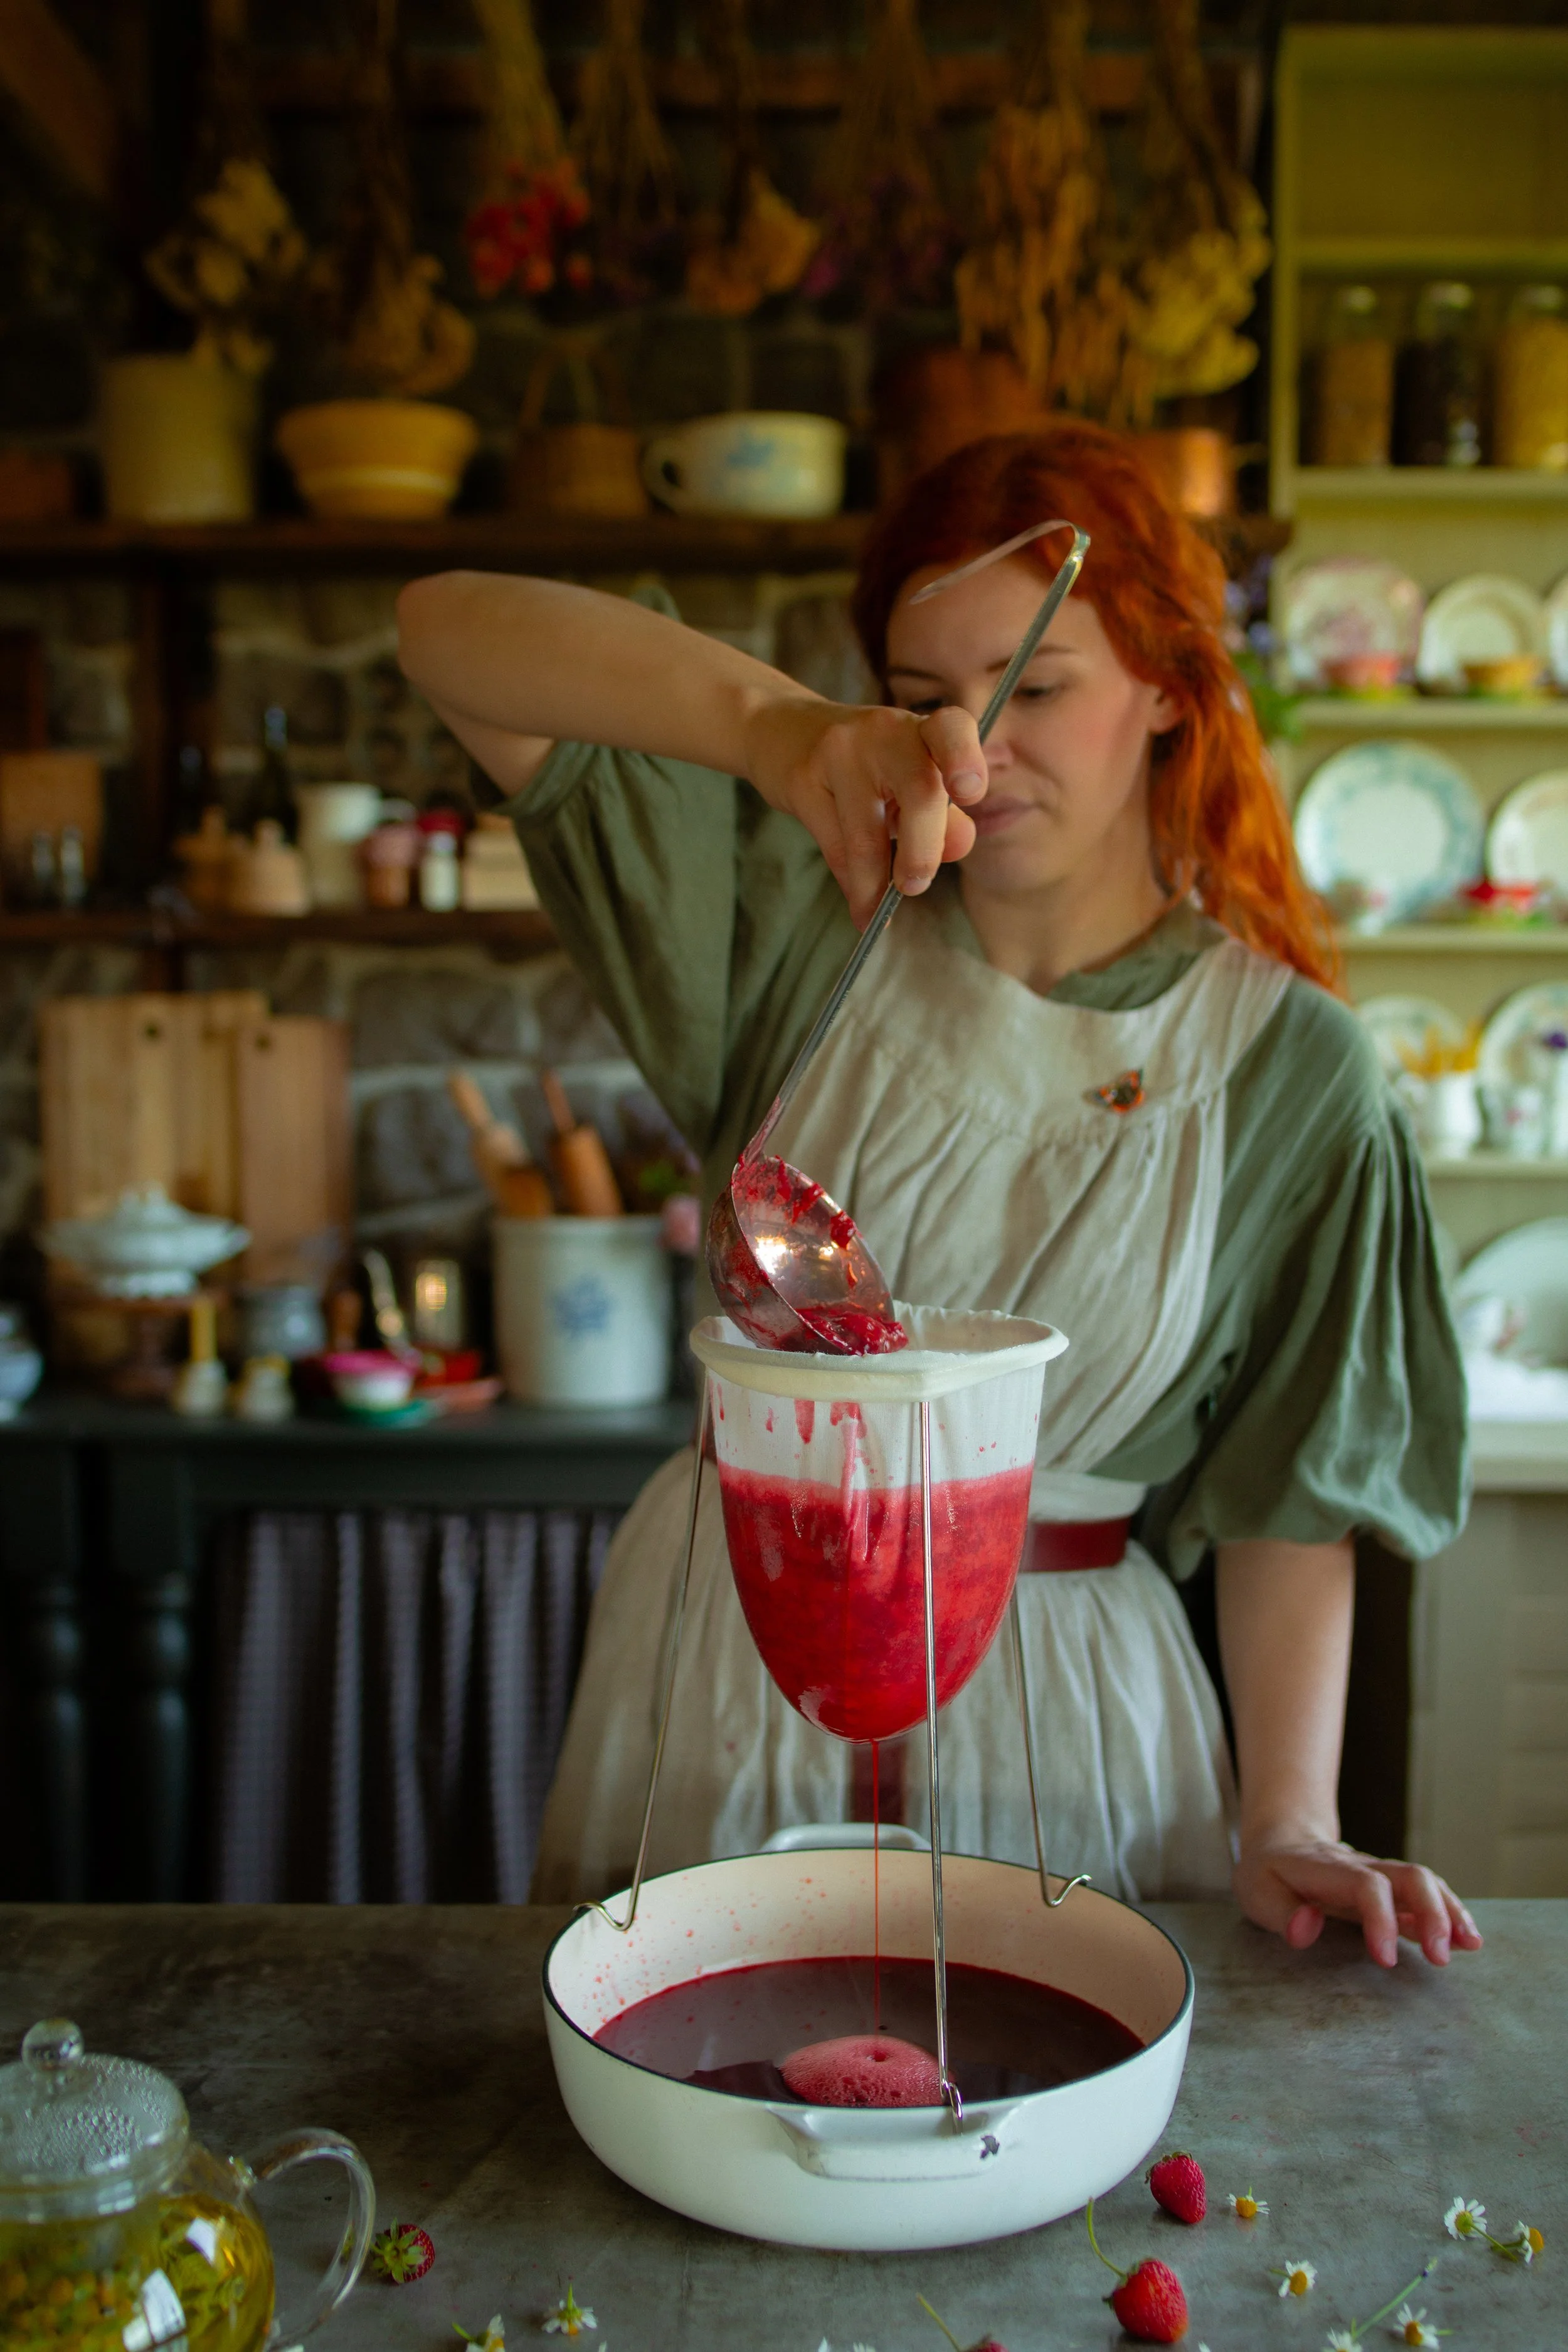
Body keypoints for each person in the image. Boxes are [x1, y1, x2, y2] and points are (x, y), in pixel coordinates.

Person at [398, 421, 1478, 1971]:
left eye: (1033, 688)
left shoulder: (1291, 1072)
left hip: (1066, 1717)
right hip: (727, 1657)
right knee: (690, 2107)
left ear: (1169, 690)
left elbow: (1293, 1498)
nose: (972, 747)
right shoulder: (794, 911)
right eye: (922, 701)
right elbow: (443, 628)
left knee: (1050, 2135)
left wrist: (1286, 1822)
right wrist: (780, 736)